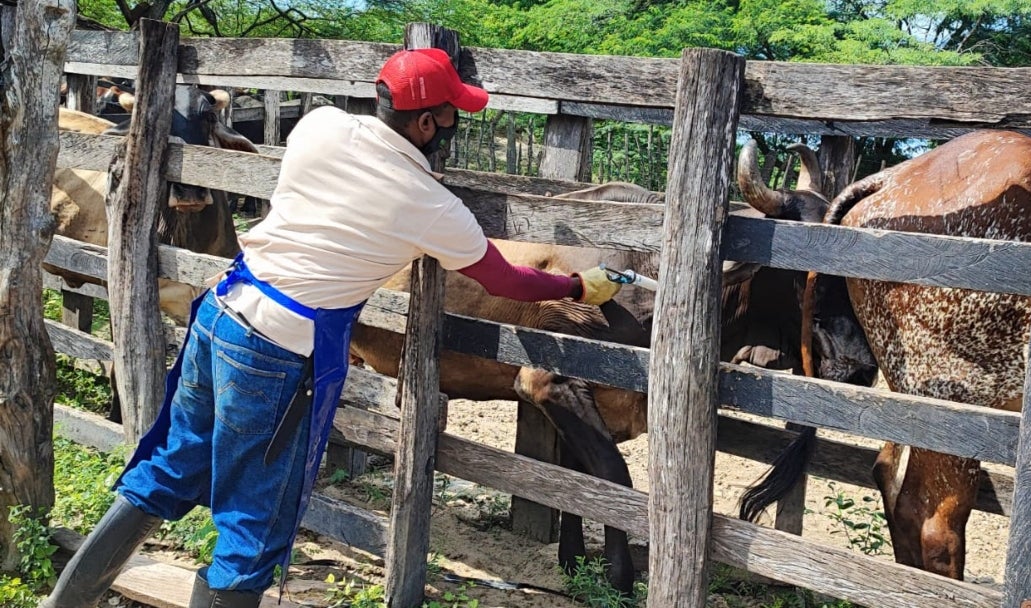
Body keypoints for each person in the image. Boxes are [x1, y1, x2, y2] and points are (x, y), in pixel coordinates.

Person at [42, 47, 622, 608]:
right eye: (451, 115)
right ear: (425, 122)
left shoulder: (319, 126)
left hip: (221, 312)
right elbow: (506, 281)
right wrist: (575, 287)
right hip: (275, 350)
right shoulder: (429, 205)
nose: (454, 124)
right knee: (254, 523)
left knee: (169, 466)